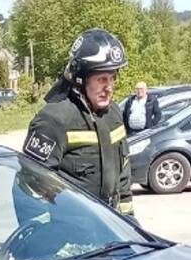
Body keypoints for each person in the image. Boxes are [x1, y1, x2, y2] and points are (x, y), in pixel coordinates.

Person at [22, 29, 134, 216]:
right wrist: (47, 239)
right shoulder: (53, 120)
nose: (109, 88)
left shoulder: (113, 114)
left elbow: (123, 178)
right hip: (70, 233)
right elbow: (30, 191)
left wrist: (129, 223)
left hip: (109, 228)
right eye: (101, 79)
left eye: (112, 78)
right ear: (81, 79)